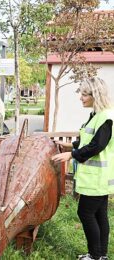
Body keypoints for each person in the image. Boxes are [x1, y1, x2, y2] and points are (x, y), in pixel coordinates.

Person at [52, 78, 113, 260]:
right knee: (99, 214)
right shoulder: (97, 115)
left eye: (85, 94)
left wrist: (71, 155)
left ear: (96, 95)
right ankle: (100, 255)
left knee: (85, 213)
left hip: (96, 178)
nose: (81, 98)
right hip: (98, 178)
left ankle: (94, 256)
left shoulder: (106, 118)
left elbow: (96, 146)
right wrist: (69, 145)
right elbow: (88, 140)